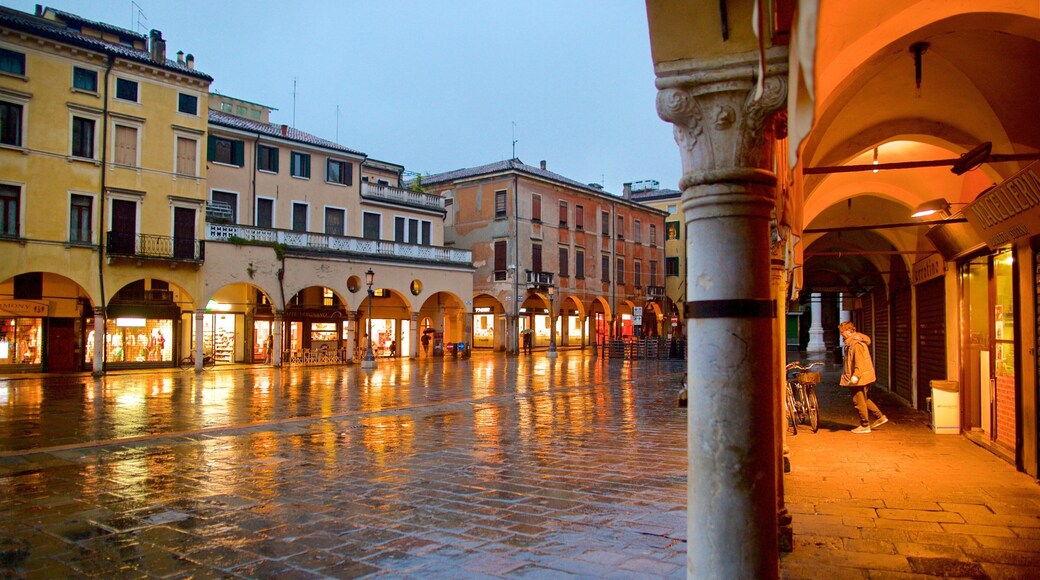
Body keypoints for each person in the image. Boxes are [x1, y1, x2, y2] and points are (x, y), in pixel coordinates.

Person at [839, 321, 888, 433]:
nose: (842, 334)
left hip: (859, 378)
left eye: (842, 332)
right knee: (864, 399)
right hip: (861, 376)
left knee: (858, 400)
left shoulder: (856, 344)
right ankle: (880, 417)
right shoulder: (851, 343)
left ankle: (865, 425)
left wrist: (855, 376)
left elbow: (859, 362)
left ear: (849, 331)